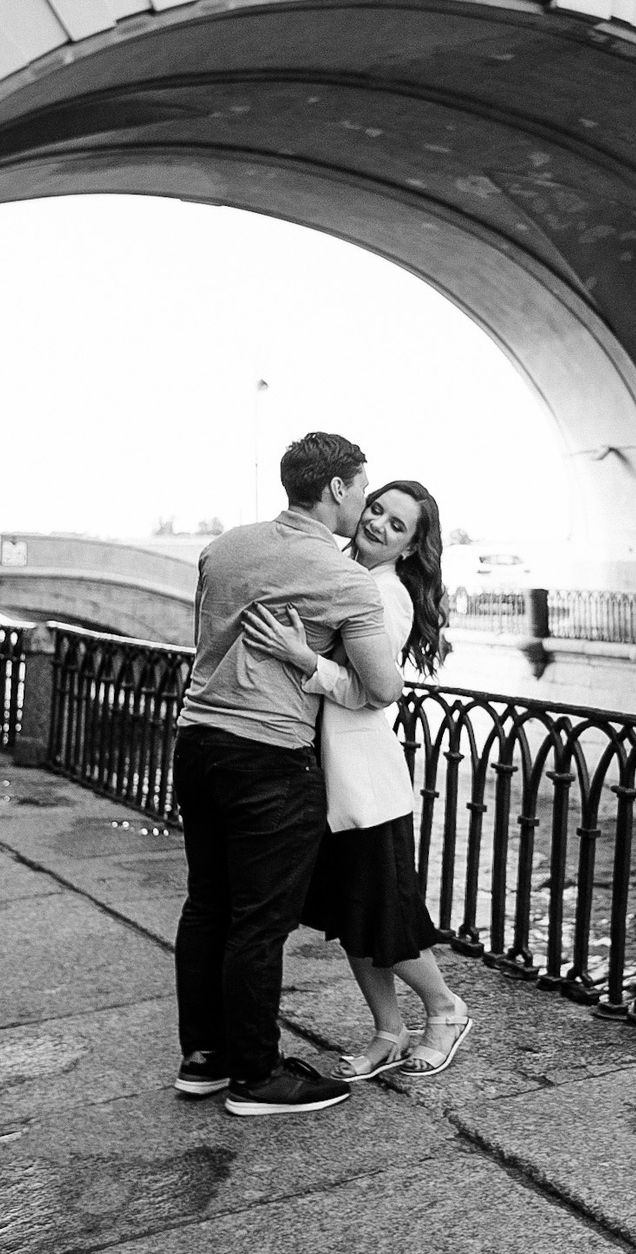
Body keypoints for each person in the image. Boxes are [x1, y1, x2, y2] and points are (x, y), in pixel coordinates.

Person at [171, 433, 404, 1117]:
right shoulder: (344, 579)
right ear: (337, 488)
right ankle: (257, 1076)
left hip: (198, 741)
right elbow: (383, 687)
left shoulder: (225, 547)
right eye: (362, 490)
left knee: (206, 906)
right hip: (270, 758)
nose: (364, 503)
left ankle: (205, 1059)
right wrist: (310, 658)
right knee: (259, 922)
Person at [239, 479, 472, 1082]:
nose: (378, 524)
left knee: (383, 915)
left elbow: (373, 692)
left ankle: (445, 1009)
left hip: (365, 786)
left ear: (410, 548)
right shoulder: (342, 571)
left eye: (398, 525)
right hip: (328, 780)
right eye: (377, 509)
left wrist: (303, 659)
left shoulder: (386, 593)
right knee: (351, 916)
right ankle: (388, 1031)